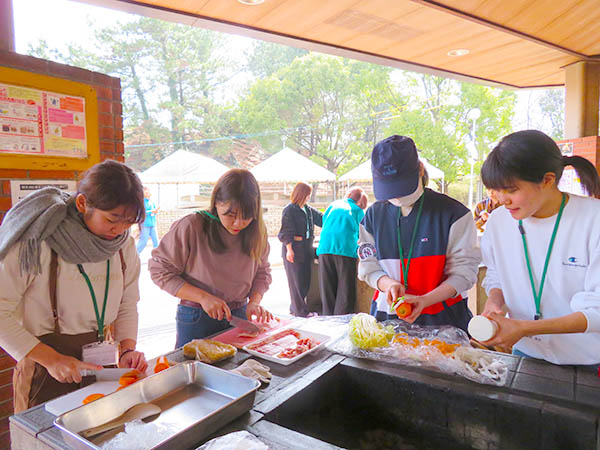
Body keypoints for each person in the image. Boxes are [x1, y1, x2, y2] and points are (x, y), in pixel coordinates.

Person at [0, 160, 148, 412]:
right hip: (44, 364)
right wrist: (52, 360)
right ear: (82, 204)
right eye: (113, 218)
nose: (120, 229)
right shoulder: (36, 243)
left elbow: (127, 302)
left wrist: (127, 348)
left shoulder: (122, 245)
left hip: (102, 360)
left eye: (128, 222)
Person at [479, 130, 600, 366]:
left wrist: (524, 327)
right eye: (497, 190)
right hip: (527, 353)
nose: (502, 200)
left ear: (547, 180)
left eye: (511, 190)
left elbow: (598, 310)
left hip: (588, 359)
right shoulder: (498, 221)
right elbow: (496, 275)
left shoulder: (593, 219)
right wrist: (495, 302)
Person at [357, 135, 480, 332]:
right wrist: (388, 284)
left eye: (401, 186)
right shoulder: (373, 215)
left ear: (420, 169)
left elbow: (464, 273)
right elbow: (368, 266)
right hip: (387, 316)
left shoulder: (454, 214)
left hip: (445, 319)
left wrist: (425, 300)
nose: (396, 196)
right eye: (389, 189)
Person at [149, 169, 273, 348]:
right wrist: (203, 297)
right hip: (197, 315)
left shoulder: (257, 231)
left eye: (246, 216)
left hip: (240, 313)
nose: (238, 223)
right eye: (230, 215)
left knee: (238, 370)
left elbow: (263, 273)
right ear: (216, 203)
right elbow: (160, 271)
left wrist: (254, 302)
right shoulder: (192, 226)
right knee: (196, 372)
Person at [316, 187, 367, 315]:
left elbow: (324, 221)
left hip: (325, 248)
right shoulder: (358, 211)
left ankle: (328, 319)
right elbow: (364, 233)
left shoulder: (333, 204)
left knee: (327, 289)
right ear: (360, 202)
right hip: (345, 249)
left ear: (348, 194)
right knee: (345, 291)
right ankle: (342, 321)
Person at [278, 182, 323, 317]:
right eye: (307, 194)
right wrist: (289, 249)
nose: (309, 197)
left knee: (304, 280)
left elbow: (322, 219)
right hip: (294, 249)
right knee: (296, 282)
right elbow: (286, 230)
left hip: (306, 248)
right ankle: (300, 312)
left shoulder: (308, 210)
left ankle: (295, 308)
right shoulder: (290, 210)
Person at [136, 187, 160, 253]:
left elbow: (155, 211)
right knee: (143, 242)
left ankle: (157, 256)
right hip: (145, 224)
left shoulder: (152, 202)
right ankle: (135, 255)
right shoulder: (141, 202)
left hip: (153, 224)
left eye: (149, 192)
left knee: (156, 242)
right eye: (146, 192)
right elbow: (141, 212)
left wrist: (156, 211)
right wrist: (151, 211)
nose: (148, 193)